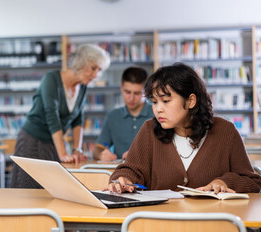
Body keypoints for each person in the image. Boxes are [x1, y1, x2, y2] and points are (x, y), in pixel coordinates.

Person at [108, 63, 261, 194]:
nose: (158, 109)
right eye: (154, 102)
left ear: (190, 101)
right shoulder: (150, 129)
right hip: (160, 224)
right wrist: (122, 179)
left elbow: (251, 181)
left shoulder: (226, 131)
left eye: (166, 101)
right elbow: (130, 170)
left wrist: (225, 182)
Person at [11, 44, 111, 189]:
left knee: (52, 188)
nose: (96, 75)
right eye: (93, 68)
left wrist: (78, 149)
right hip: (33, 140)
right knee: (29, 188)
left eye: (99, 71)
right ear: (80, 63)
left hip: (54, 142)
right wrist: (63, 153)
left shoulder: (82, 87)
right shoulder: (51, 79)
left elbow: (78, 119)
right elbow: (53, 116)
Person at [93, 67, 154, 161]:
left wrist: (140, 154)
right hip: (120, 172)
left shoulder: (158, 114)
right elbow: (98, 148)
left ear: (146, 91)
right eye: (127, 92)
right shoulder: (113, 116)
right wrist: (101, 154)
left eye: (137, 93)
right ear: (121, 87)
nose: (131, 98)